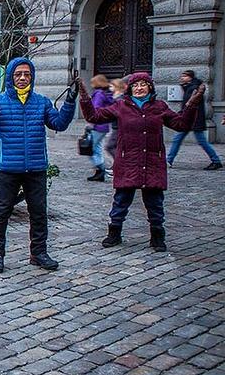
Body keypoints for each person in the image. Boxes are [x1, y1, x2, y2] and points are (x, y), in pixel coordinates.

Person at [0, 58, 77, 273]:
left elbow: (59, 124)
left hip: (36, 168)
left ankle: (39, 253)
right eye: (18, 74)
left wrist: (70, 101)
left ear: (32, 77)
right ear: (10, 77)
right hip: (8, 168)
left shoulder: (41, 102)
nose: (22, 78)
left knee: (39, 212)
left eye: (27, 74)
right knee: (1, 212)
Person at [78, 73, 203, 252]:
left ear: (150, 87)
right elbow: (94, 116)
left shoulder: (159, 106)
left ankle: (157, 236)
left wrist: (192, 104)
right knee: (121, 201)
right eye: (135, 85)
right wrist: (84, 96)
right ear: (130, 89)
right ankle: (114, 233)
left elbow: (181, 124)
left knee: (155, 203)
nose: (139, 88)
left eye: (143, 84)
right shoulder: (121, 105)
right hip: (128, 161)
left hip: (152, 162)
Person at [166, 70, 222, 170]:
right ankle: (169, 160)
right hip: (189, 119)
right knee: (178, 139)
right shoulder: (190, 87)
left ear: (190, 77)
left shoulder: (194, 89)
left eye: (184, 76)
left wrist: (184, 116)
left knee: (200, 141)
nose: (182, 78)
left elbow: (191, 106)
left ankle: (216, 161)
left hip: (193, 120)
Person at [85, 75, 114, 182]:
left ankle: (100, 169)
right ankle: (99, 172)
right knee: (97, 148)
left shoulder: (98, 94)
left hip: (97, 125)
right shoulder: (107, 94)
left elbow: (95, 110)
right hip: (104, 125)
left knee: (90, 149)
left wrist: (91, 123)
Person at [102, 78, 127, 175]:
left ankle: (120, 165)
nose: (109, 87)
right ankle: (117, 166)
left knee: (110, 146)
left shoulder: (119, 99)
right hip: (116, 126)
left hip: (119, 127)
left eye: (112, 86)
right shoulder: (115, 97)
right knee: (116, 147)